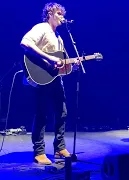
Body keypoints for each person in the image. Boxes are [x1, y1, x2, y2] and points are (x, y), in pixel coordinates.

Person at [20, 2, 78, 165]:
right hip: (40, 77)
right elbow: (25, 42)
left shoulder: (59, 37)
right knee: (42, 114)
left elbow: (60, 66)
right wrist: (49, 58)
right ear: (50, 14)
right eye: (59, 13)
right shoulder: (42, 28)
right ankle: (39, 151)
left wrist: (71, 67)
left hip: (54, 79)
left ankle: (59, 148)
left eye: (62, 14)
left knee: (62, 112)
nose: (62, 17)